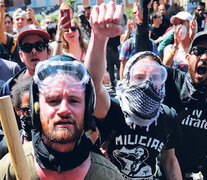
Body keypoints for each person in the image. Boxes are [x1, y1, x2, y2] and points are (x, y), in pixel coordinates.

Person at [85, 2, 182, 179]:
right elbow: (93, 83)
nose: (147, 83)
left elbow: (170, 160)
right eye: (139, 77)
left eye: (155, 77)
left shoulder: (168, 116)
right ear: (127, 80)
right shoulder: (112, 110)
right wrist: (98, 38)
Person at [0, 55, 124, 180]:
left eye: (74, 100)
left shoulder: (108, 176)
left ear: (87, 109)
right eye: (53, 100)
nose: (64, 109)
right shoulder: (10, 169)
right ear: (37, 109)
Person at [163, 31, 207, 179]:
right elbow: (145, 65)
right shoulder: (172, 80)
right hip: (166, 170)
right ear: (188, 58)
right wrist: (142, 24)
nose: (205, 57)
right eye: (199, 51)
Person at [0, 24, 51, 96]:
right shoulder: (9, 88)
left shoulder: (62, 81)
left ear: (49, 52)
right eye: (27, 47)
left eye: (39, 46)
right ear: (21, 56)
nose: (34, 51)